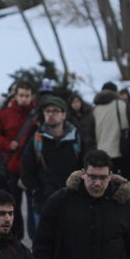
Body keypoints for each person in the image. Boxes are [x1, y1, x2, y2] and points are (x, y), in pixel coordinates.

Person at [0, 80, 39, 242]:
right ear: (15, 96)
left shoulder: (38, 114)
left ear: (31, 96)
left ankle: (35, 239)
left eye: (27, 96)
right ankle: (15, 240)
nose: (24, 99)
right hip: (12, 168)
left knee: (33, 206)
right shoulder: (4, 114)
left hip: (33, 169)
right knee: (11, 206)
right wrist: (7, 144)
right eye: (21, 95)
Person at [21, 96, 82, 233]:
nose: (50, 114)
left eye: (55, 111)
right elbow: (26, 170)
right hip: (43, 203)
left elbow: (84, 168)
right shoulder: (36, 140)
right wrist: (38, 190)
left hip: (71, 204)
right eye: (47, 111)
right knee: (44, 248)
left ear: (64, 114)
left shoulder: (76, 139)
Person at [84, 87, 130, 184]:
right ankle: (127, 197)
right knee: (126, 178)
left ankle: (111, 198)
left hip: (103, 153)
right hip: (124, 149)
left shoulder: (95, 110)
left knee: (108, 180)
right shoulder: (123, 105)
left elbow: (89, 134)